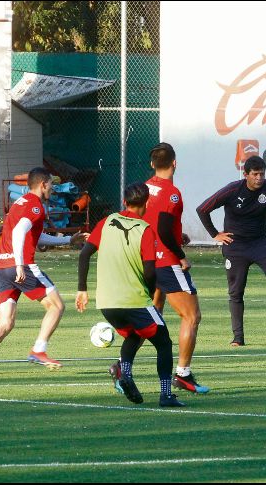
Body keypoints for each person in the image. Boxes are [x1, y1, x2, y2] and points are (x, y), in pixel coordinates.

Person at [108, 143, 208, 395]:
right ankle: (183, 374)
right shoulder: (171, 193)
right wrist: (180, 255)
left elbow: (147, 223)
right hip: (165, 262)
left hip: (144, 261)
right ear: (175, 163)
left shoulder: (142, 188)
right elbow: (163, 228)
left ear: (152, 164)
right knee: (191, 316)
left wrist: (175, 235)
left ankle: (122, 366)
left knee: (150, 317)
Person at [76, 182, 185, 407]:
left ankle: (125, 374)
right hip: (134, 300)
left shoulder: (106, 222)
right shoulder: (145, 229)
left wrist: (82, 289)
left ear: (124, 202)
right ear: (146, 203)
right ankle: (165, 395)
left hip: (106, 302)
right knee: (163, 342)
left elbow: (84, 254)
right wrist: (151, 290)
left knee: (134, 335)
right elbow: (149, 270)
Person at [0, 167, 88, 375]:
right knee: (57, 306)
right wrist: (19, 264)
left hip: (1, 268)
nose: (53, 188)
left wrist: (68, 240)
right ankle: (38, 350)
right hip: (20, 267)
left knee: (6, 321)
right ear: (43, 184)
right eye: (51, 184)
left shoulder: (20, 203)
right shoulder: (35, 206)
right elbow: (19, 232)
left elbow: (35, 236)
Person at [196, 155, 266, 346]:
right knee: (236, 292)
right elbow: (203, 209)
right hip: (235, 246)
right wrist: (215, 234)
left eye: (262, 174)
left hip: (259, 243)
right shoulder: (233, 189)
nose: (259, 178)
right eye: (255, 174)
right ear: (245, 174)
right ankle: (238, 337)